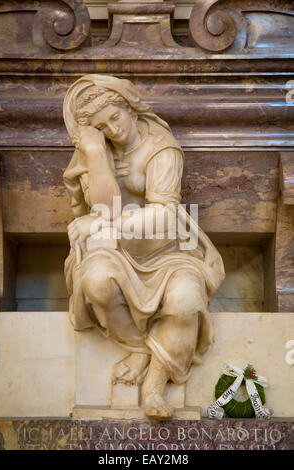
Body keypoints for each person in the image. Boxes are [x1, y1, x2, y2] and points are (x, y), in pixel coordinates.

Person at [63, 74, 225, 419]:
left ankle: (154, 383)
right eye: (101, 126)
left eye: (115, 117)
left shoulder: (161, 147)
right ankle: (139, 349)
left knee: (185, 299)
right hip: (116, 248)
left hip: (169, 248)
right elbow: (104, 205)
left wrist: (104, 222)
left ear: (131, 108)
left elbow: (165, 216)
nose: (113, 130)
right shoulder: (98, 149)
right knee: (96, 280)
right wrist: (94, 151)